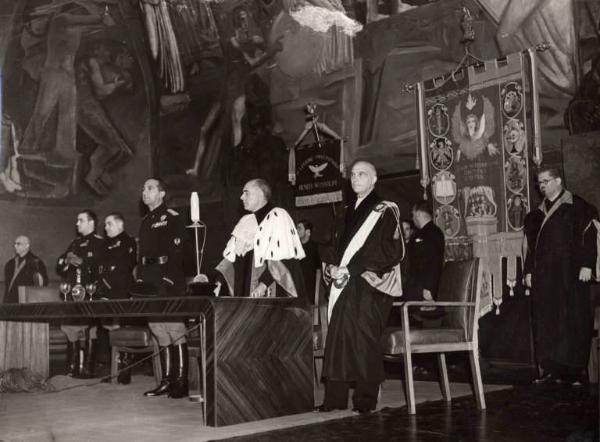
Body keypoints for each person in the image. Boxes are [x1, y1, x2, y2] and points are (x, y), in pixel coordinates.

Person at [317, 160, 404, 414]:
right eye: (353, 175)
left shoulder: (386, 210)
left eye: (362, 174)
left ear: (374, 179)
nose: (355, 179)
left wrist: (351, 269)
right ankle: (335, 399)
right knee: (337, 338)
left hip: (369, 283)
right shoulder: (345, 210)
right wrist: (332, 267)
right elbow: (334, 247)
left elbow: (392, 250)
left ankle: (365, 399)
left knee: (364, 338)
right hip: (344, 282)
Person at [524, 168, 598, 386]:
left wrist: (587, 264)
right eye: (539, 183)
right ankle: (550, 369)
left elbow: (590, 235)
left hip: (571, 275)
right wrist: (528, 271)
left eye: (546, 181)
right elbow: (530, 247)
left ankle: (575, 371)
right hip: (545, 278)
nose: (542, 186)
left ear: (558, 181)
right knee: (547, 321)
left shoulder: (578, 206)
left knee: (573, 320)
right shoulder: (535, 215)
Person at [136, 178, 189, 399]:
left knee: (174, 328)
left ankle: (181, 382)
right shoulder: (146, 221)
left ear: (162, 194)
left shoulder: (173, 218)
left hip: (168, 278)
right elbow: (141, 255)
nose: (144, 192)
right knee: (158, 328)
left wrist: (168, 279)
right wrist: (140, 279)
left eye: (149, 188)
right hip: (149, 280)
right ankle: (166, 380)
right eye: (143, 188)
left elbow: (179, 252)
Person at [216, 179, 305, 299]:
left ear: (260, 193)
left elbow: (282, 258)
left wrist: (263, 286)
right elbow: (231, 256)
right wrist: (218, 282)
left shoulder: (278, 215)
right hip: (247, 288)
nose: (242, 197)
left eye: (246, 193)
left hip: (272, 287)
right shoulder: (245, 221)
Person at [57, 209, 104, 378]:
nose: (77, 224)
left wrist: (82, 263)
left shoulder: (100, 243)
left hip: (89, 291)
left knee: (90, 329)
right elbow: (61, 264)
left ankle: (89, 368)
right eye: (77, 220)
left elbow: (100, 267)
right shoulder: (74, 243)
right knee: (70, 327)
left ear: (91, 223)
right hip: (72, 290)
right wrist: (67, 261)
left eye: (80, 220)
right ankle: (73, 366)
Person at [403, 201, 445, 304]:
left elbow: (433, 262)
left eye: (413, 215)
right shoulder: (424, 233)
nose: (412, 218)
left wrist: (429, 289)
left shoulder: (432, 233)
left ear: (418, 213)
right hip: (418, 288)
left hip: (423, 292)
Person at [99, 213, 137, 299]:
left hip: (120, 290)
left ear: (120, 224)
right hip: (103, 290)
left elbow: (126, 265)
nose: (105, 228)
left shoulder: (128, 242)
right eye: (105, 225)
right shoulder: (104, 244)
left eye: (109, 224)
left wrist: (108, 283)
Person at [3, 236, 48, 304]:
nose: (15, 246)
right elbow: (7, 286)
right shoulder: (10, 263)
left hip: (27, 301)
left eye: (18, 244)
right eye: (14, 244)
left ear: (27, 245)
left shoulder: (36, 262)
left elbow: (42, 283)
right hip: (11, 301)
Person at [296, 219, 321, 304]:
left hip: (311, 294)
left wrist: (317, 295)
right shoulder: (294, 249)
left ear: (308, 232)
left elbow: (319, 271)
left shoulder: (316, 248)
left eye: (299, 228)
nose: (296, 230)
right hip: (297, 292)